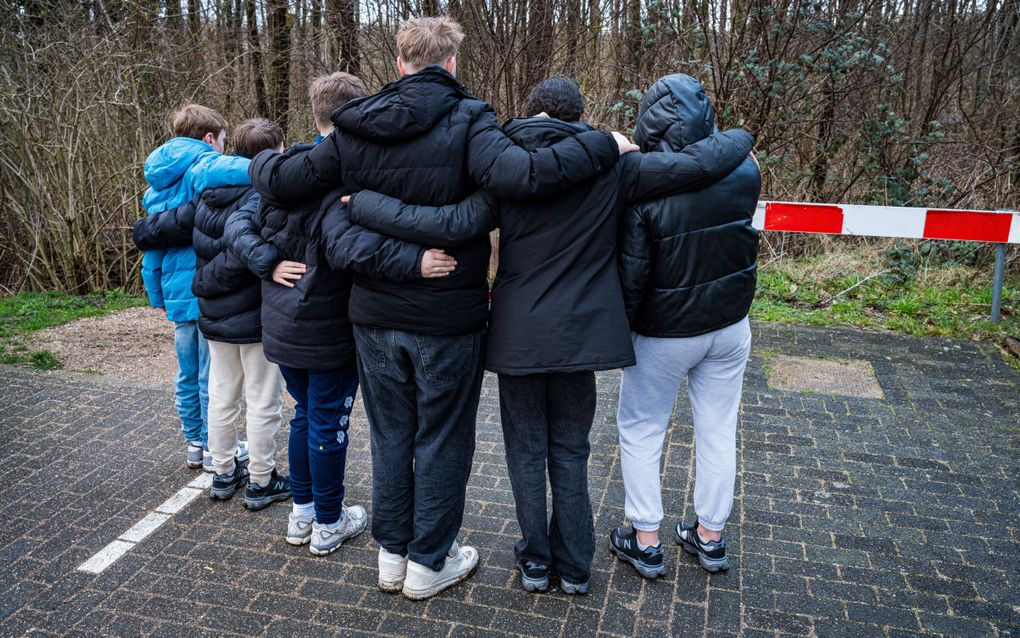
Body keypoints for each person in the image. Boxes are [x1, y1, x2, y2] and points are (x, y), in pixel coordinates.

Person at [249, 17, 636, 600]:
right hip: (447, 317)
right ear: (451, 63)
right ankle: (429, 561)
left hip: (374, 316)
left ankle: (392, 556)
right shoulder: (471, 119)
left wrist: (247, 162)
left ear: (400, 63)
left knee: (390, 436)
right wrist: (603, 143)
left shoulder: (355, 127)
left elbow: (284, 179)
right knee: (443, 440)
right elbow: (525, 175)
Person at [343, 76, 754, 594]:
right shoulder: (613, 166)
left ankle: (535, 560)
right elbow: (694, 166)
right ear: (579, 116)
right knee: (570, 450)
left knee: (524, 451)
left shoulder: (502, 166)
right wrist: (741, 138)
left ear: (531, 111)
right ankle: (576, 566)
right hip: (581, 336)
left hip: (517, 334)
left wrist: (364, 205)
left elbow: (450, 220)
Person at [228, 72, 446, 556]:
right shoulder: (340, 176)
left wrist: (265, 260)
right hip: (323, 325)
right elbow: (351, 247)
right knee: (327, 420)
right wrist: (416, 261)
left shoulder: (284, 170)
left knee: (307, 415)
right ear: (357, 115)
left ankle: (303, 512)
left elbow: (239, 220)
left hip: (283, 322)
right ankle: (328, 519)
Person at [610, 73, 762, 578]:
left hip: (664, 332)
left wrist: (620, 332)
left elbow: (633, 274)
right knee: (719, 428)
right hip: (729, 324)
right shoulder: (746, 170)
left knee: (641, 427)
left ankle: (647, 540)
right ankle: (710, 536)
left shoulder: (641, 188)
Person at [134, 118, 289, 508]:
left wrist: (201, 283)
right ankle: (260, 478)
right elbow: (243, 253)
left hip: (213, 313)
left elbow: (165, 230)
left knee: (221, 394)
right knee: (261, 398)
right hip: (251, 313)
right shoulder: (261, 198)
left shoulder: (203, 194)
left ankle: (221, 472)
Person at [134, 104, 252, 472]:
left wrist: (155, 292)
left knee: (186, 372)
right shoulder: (200, 163)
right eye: (222, 141)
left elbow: (152, 248)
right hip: (201, 286)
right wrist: (272, 165)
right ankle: (219, 448)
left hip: (174, 289)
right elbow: (234, 169)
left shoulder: (157, 180)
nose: (222, 148)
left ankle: (194, 442)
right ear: (208, 138)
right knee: (209, 375)